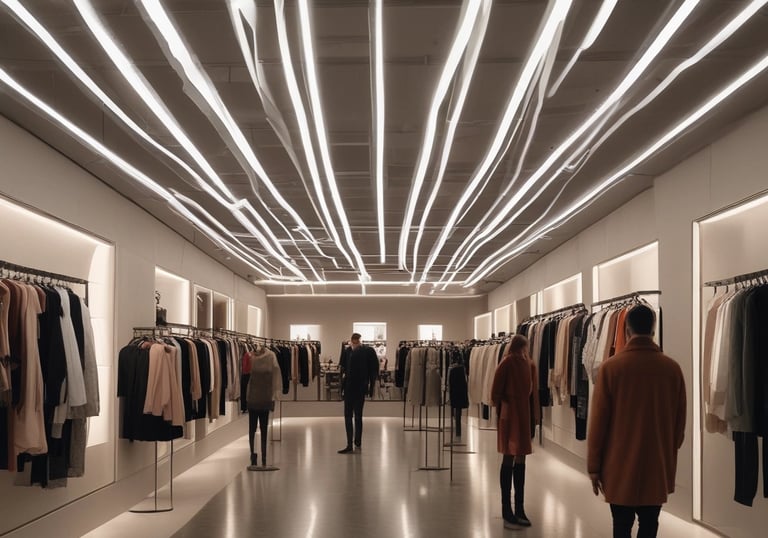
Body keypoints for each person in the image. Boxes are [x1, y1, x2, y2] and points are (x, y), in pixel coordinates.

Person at [587, 304, 686, 538]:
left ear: (627, 331)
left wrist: (594, 467)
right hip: (656, 465)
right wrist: (667, 452)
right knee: (650, 524)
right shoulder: (672, 369)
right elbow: (679, 425)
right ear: (653, 330)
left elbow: (599, 424)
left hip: (618, 466)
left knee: (621, 525)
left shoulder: (611, 368)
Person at [491, 334, 539, 530]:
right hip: (515, 415)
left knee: (514, 458)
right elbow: (496, 392)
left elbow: (495, 393)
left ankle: (515, 508)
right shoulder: (512, 363)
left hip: (516, 415)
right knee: (514, 457)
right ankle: (511, 509)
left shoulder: (522, 364)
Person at [338, 333, 379, 453]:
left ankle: (357, 441)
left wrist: (371, 387)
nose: (355, 343)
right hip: (350, 387)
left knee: (357, 415)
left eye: (356, 341)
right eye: (353, 341)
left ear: (359, 341)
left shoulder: (368, 351)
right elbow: (343, 369)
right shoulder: (347, 351)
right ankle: (350, 443)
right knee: (349, 415)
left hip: (360, 387)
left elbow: (373, 370)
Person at [245, 345, 281, 468]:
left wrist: (275, 395)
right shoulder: (250, 356)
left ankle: (262, 457)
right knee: (254, 429)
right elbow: (244, 376)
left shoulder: (270, 356)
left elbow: (276, 378)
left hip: (263, 397)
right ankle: (254, 456)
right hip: (257, 397)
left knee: (261, 429)